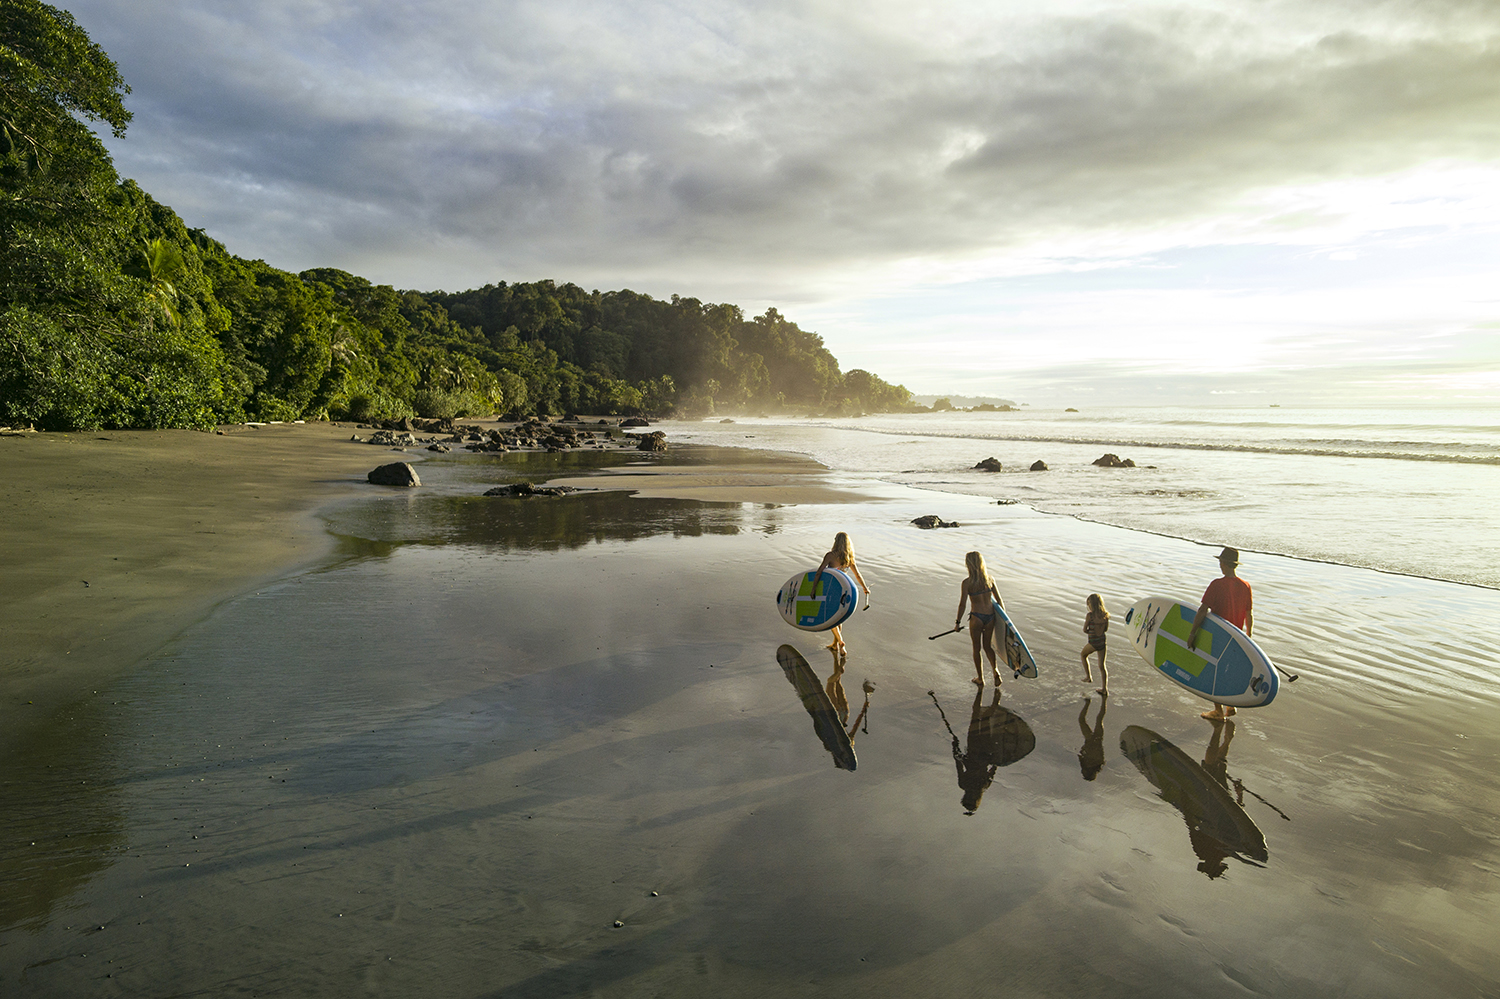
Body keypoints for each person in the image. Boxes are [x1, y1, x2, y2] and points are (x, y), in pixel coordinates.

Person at [1188, 546, 1254, 721]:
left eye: (1220, 561)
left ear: (1223, 563)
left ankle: (1218, 710)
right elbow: (1248, 614)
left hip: (1218, 636)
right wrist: (1248, 636)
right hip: (1237, 636)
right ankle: (1230, 705)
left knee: (1213, 672)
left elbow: (1202, 611)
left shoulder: (1216, 585)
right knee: (1228, 671)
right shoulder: (1246, 586)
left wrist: (1193, 632)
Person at [813, 531, 869, 658]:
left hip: (830, 589)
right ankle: (835, 644)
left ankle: (840, 641)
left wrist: (813, 589)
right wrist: (865, 588)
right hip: (845, 590)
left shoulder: (830, 555)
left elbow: (819, 572)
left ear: (836, 541)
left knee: (829, 617)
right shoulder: (849, 557)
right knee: (838, 617)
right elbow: (857, 575)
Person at [955, 551, 1004, 686]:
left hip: (976, 618)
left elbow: (962, 604)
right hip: (990, 617)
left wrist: (957, 623)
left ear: (968, 565)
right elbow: (999, 600)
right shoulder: (990, 579)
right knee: (988, 647)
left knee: (976, 648)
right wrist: (1004, 621)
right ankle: (995, 671)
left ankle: (980, 678)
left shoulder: (967, 583)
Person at [1079, 593, 1109, 693]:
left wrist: (1090, 632)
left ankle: (1088, 677)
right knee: (1102, 666)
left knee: (1083, 655)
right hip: (1102, 642)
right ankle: (1105, 689)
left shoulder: (1090, 616)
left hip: (1093, 642)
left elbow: (1084, 629)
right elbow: (1105, 629)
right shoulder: (1105, 615)